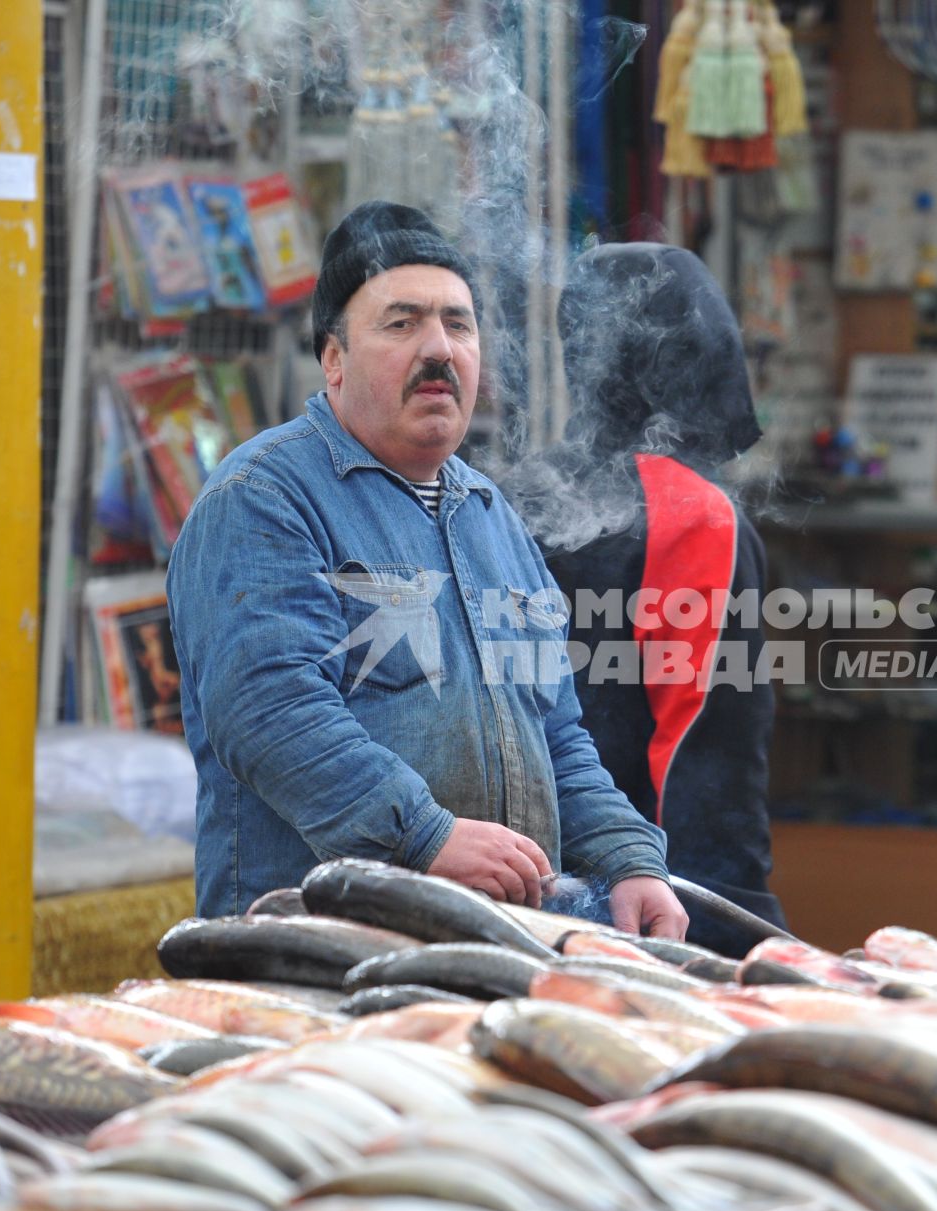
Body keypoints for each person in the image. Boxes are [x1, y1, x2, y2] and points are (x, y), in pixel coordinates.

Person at [166, 200, 689, 939]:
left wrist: (631, 860)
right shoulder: (263, 498)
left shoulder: (491, 517)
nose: (439, 349)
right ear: (334, 358)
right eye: (402, 322)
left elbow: (559, 735)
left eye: (458, 323)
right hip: (315, 950)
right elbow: (269, 709)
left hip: (491, 945)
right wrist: (423, 836)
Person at [506, 242, 786, 944]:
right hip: (648, 900)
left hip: (518, 884)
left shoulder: (512, 496)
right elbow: (704, 741)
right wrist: (732, 919)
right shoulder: (693, 511)